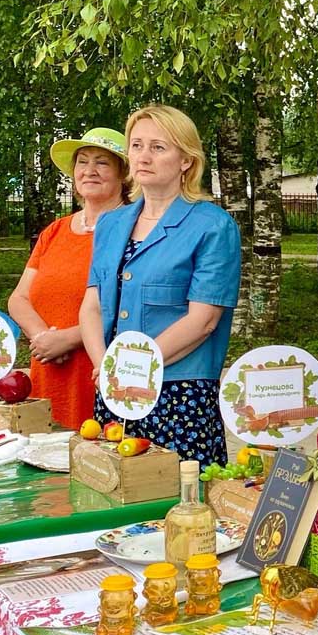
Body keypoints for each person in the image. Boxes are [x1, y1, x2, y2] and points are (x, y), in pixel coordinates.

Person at [79, 105, 241, 465]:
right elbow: (92, 304)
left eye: (158, 147)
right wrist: (106, 366)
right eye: (137, 146)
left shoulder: (212, 226)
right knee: (114, 500)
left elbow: (203, 321)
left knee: (180, 506)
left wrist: (132, 367)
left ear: (186, 160)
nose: (143, 156)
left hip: (179, 395)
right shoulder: (111, 224)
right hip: (116, 389)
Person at [8, 128, 129, 429]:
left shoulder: (134, 230)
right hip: (48, 371)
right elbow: (19, 298)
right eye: (82, 162)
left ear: (123, 174)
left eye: (102, 162)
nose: (89, 171)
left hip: (99, 371)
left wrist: (67, 339)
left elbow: (131, 306)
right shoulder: (56, 231)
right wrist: (43, 339)